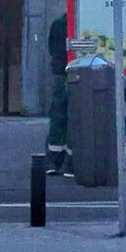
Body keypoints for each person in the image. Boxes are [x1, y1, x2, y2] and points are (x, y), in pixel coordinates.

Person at [44, 15, 70, 175]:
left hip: (61, 72)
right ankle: (70, 164)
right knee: (76, 116)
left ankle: (53, 161)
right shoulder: (82, 21)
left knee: (58, 115)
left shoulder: (58, 23)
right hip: (78, 72)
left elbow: (52, 49)